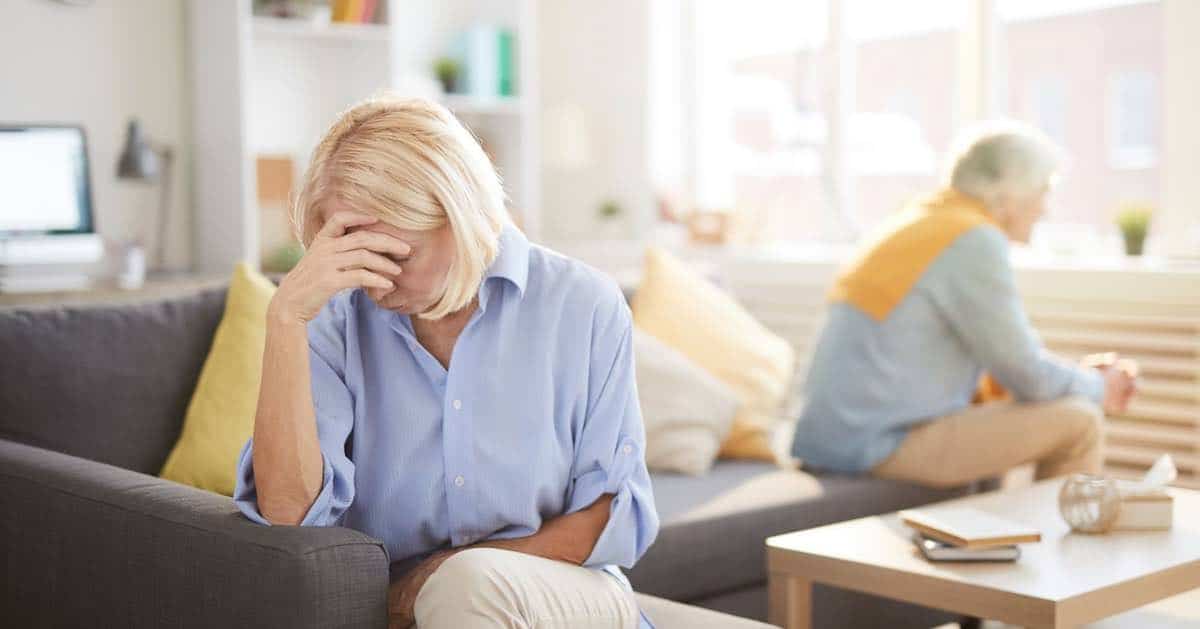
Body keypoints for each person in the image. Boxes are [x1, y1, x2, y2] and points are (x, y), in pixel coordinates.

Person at [232, 96, 659, 629]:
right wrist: (286, 320)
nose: (373, 281)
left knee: (466, 588)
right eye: (351, 252)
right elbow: (290, 517)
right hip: (412, 612)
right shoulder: (334, 317)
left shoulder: (584, 305)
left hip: (565, 592)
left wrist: (441, 575)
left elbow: (610, 516)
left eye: (392, 255)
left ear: (458, 214)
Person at [791, 122, 1139, 488]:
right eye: (1042, 191)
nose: (1044, 209)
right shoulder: (972, 240)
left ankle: (1011, 538)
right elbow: (1026, 373)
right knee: (1080, 421)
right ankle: (1058, 544)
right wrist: (1099, 388)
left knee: (1014, 410)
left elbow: (1009, 367)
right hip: (873, 445)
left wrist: (1078, 379)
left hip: (834, 439)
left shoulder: (924, 222)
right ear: (1009, 195)